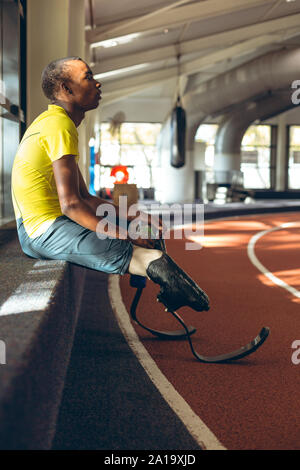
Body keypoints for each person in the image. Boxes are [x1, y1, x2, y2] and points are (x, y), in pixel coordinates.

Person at [11, 57, 209, 313]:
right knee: (136, 248)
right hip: (39, 231)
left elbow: (85, 197)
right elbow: (71, 205)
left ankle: (156, 292)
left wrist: (135, 216)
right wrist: (123, 234)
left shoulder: (57, 123)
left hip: (53, 222)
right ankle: (177, 291)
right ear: (65, 89)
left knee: (145, 229)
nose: (98, 83)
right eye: (89, 77)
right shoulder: (59, 126)